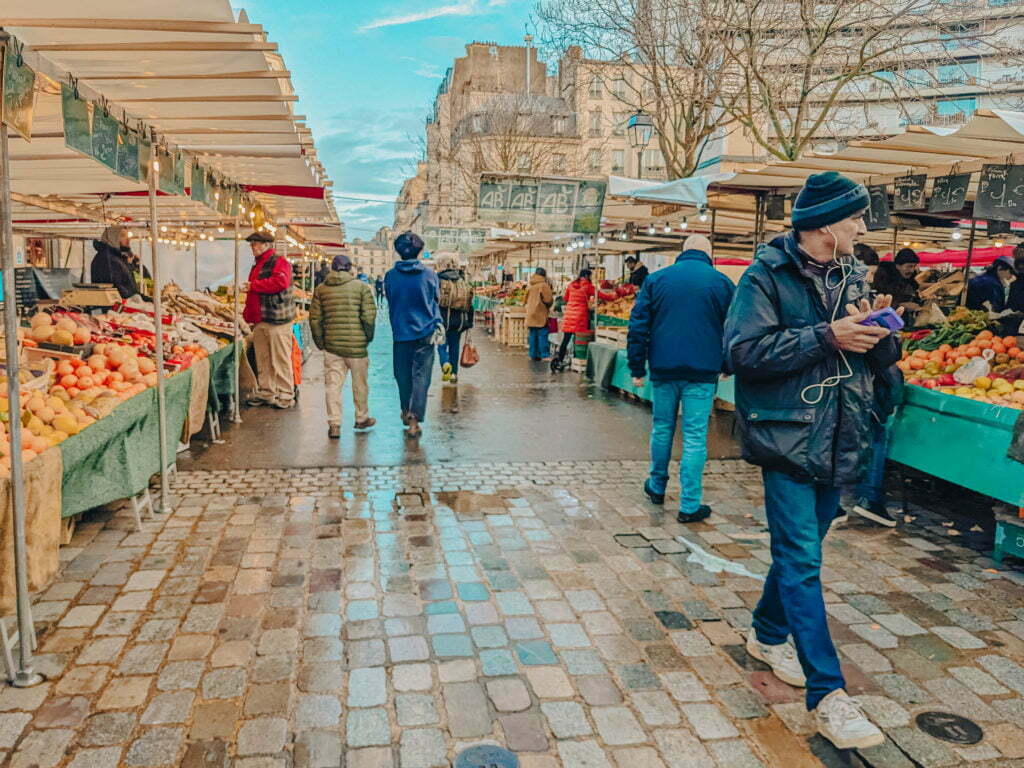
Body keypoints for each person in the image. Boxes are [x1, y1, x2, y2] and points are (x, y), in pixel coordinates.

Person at [724, 171, 900, 751]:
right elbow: (742, 354)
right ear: (826, 223)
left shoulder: (851, 273)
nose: (861, 227)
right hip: (789, 438)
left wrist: (879, 329)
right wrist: (827, 336)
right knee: (800, 558)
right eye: (855, 217)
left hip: (842, 436)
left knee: (805, 550)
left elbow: (870, 358)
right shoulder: (764, 276)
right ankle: (829, 695)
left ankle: (767, 631)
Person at [627, 234, 735, 523]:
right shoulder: (722, 283)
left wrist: (637, 367)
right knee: (695, 436)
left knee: (662, 428)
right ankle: (689, 505)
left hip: (663, 367)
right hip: (702, 370)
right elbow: (734, 329)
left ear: (682, 251)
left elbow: (638, 326)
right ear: (708, 253)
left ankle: (657, 486)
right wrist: (727, 364)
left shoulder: (656, 281)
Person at [309, 254, 377, 439]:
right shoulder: (362, 288)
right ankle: (361, 418)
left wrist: (320, 342)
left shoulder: (321, 290)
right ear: (349, 269)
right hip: (357, 347)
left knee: (332, 385)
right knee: (360, 385)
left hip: (332, 347)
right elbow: (369, 317)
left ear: (332, 268)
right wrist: (367, 338)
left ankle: (334, 424)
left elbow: (314, 319)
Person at [384, 232, 442, 439]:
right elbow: (436, 298)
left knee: (402, 375)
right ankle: (414, 419)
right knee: (421, 377)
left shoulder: (391, 276)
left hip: (400, 332)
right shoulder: (429, 275)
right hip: (425, 331)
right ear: (419, 251)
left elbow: (390, 299)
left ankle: (404, 409)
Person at [242, 231, 297, 409]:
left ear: (266, 245)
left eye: (256, 244)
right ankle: (266, 390)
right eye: (251, 244)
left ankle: (286, 393)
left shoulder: (279, 262)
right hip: (261, 319)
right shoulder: (257, 264)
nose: (253, 247)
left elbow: (280, 282)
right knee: (262, 357)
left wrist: (253, 286)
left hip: (277, 319)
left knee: (280, 358)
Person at [436, 257, 474, 384]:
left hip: (442, 319)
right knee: (454, 347)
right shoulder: (461, 280)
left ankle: (445, 363)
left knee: (441, 345)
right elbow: (469, 303)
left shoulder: (438, 279)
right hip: (459, 321)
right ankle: (454, 374)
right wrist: (470, 323)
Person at [550, 268, 595, 372]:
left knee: (565, 340)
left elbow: (565, 299)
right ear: (588, 276)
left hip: (569, 316)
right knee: (579, 340)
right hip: (580, 318)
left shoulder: (571, 285)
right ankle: (576, 359)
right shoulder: (588, 286)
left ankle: (560, 360)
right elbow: (599, 294)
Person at [91, 225, 140, 299]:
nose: (128, 240)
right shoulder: (106, 259)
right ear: (112, 237)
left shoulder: (118, 258)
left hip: (125, 304)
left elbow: (129, 288)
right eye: (123, 236)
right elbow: (117, 289)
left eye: (128, 236)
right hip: (115, 308)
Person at [871, 248, 921, 313]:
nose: (912, 270)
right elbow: (879, 303)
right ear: (898, 266)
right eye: (909, 266)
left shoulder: (910, 281)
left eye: (914, 266)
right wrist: (902, 305)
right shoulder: (883, 279)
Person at [525, 267, 554, 360]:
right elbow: (548, 299)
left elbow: (524, 299)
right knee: (542, 335)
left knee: (533, 335)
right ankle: (544, 355)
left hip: (530, 314)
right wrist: (549, 305)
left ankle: (533, 354)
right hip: (540, 314)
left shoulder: (530, 286)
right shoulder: (543, 285)